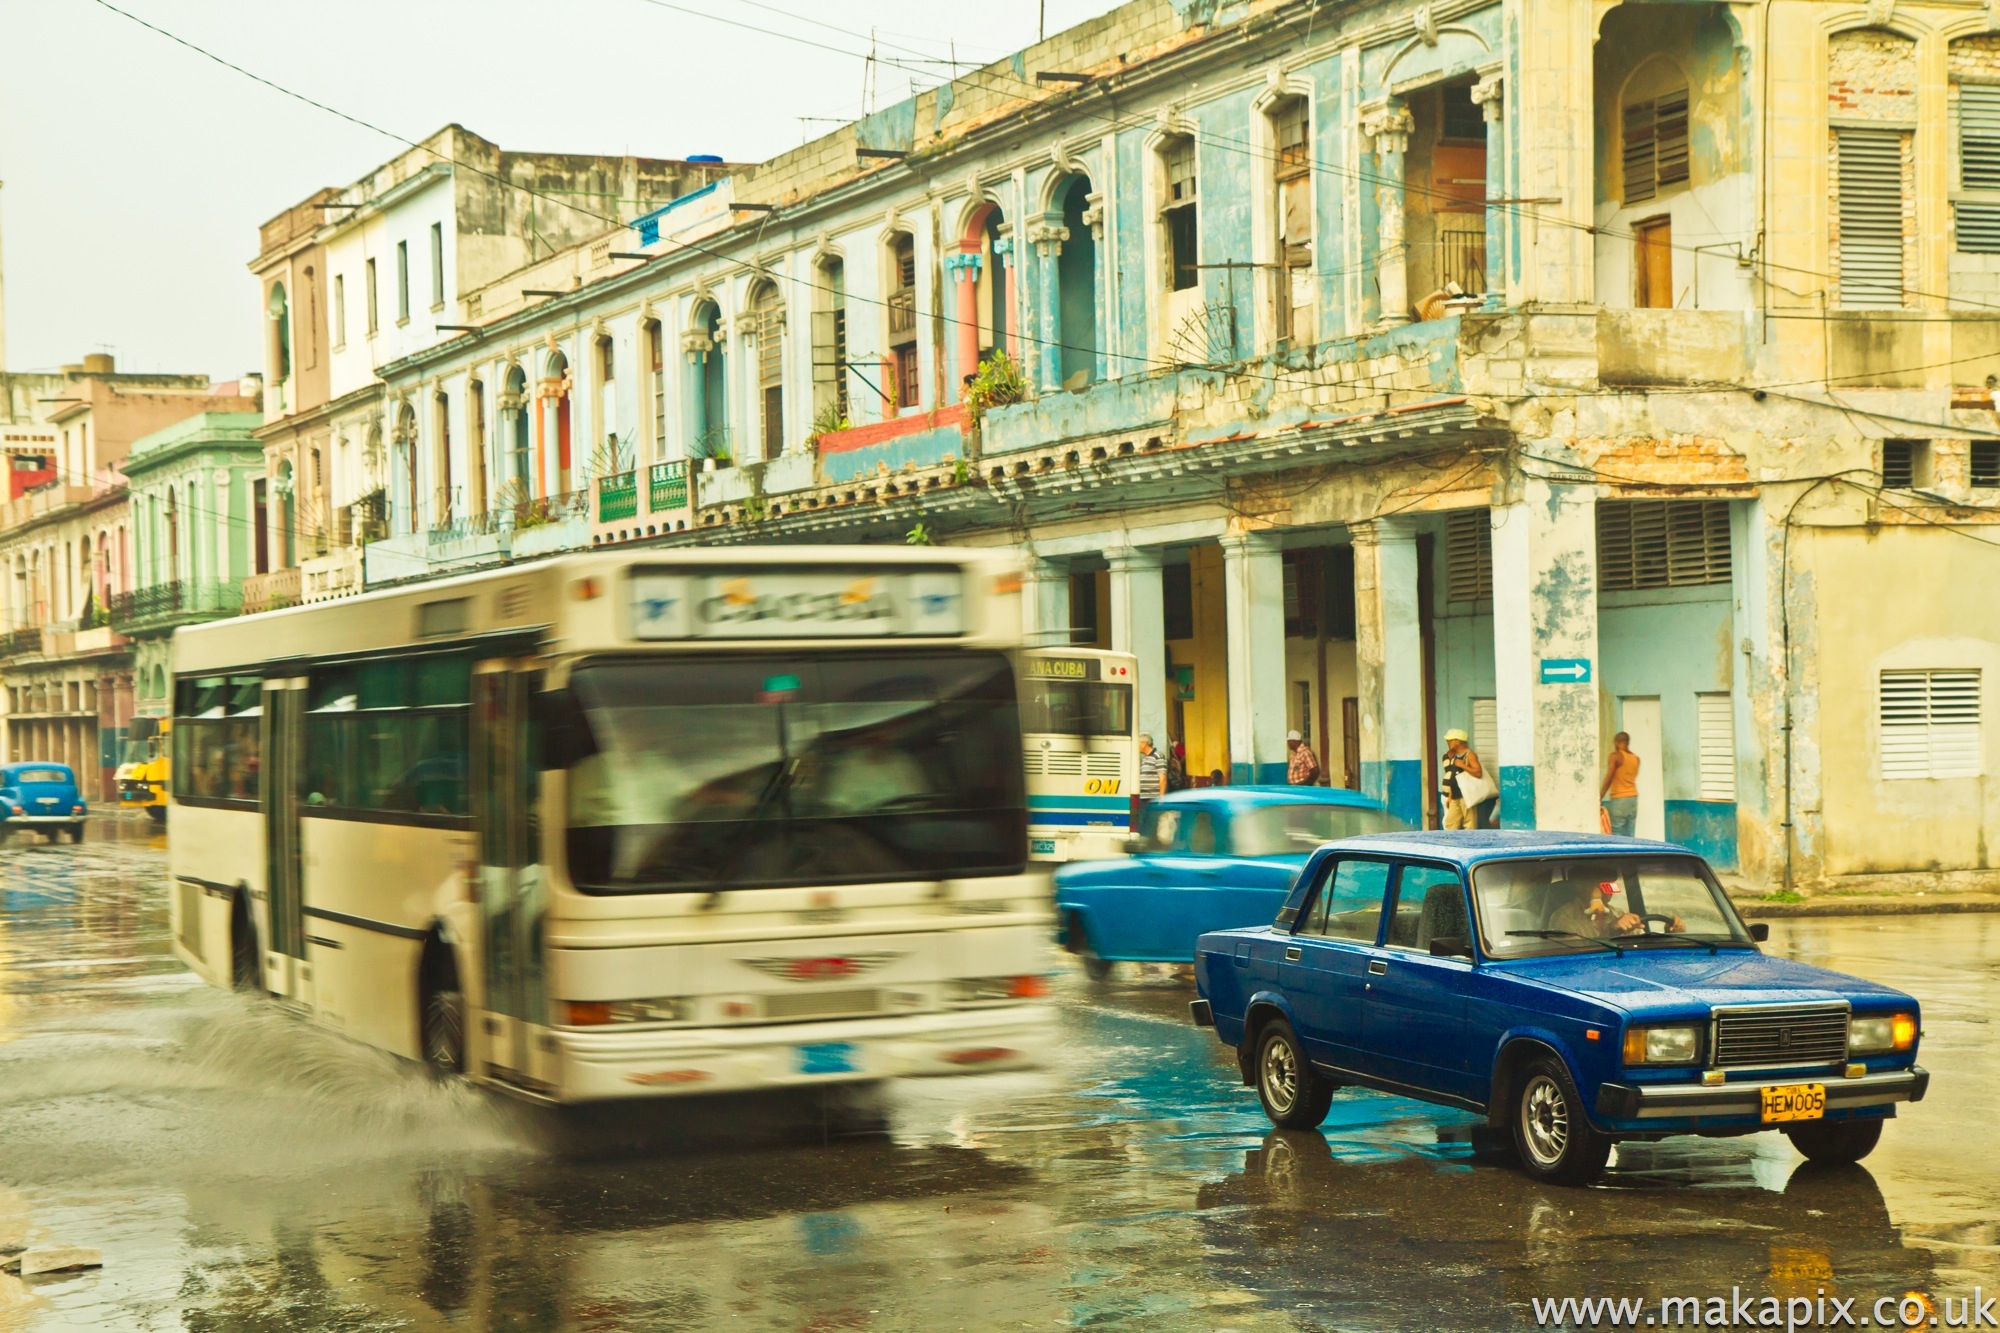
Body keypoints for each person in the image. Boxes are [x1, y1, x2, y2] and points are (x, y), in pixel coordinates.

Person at [1439, 729, 1485, 830]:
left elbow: (1478, 773)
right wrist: (1450, 796)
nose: (1448, 743)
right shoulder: (1455, 756)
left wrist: (1463, 766)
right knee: (1450, 824)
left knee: (1469, 825)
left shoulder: (1469, 755)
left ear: (1457, 741)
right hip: (1455, 797)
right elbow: (1453, 778)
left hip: (1466, 796)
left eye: (1450, 740)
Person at [1601, 731, 1641, 836]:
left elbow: (1609, 777)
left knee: (1617, 833)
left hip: (1619, 799)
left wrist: (1599, 797)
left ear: (1618, 742)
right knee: (1630, 833)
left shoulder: (1615, 756)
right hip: (1633, 798)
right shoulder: (1636, 759)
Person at [1138, 733, 1167, 801]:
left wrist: (1161, 799)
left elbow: (1163, 779)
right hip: (1144, 797)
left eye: (1137, 743)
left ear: (1144, 744)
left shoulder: (1158, 756)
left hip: (1153, 798)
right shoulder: (1145, 758)